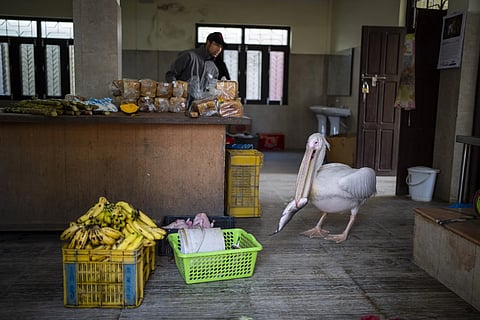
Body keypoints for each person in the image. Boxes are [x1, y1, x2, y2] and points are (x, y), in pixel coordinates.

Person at [165, 32, 227, 107]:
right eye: (216, 45)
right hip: (180, 106)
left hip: (200, 109)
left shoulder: (214, 69)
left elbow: (211, 91)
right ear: (208, 43)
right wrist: (177, 92)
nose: (219, 49)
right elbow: (170, 75)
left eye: (221, 47)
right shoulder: (189, 56)